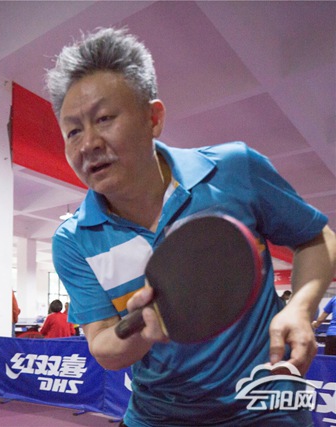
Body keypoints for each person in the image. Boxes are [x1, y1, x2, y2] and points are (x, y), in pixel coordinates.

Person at [47, 27, 336, 425]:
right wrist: (144, 329)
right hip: (158, 414)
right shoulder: (72, 239)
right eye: (73, 131)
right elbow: (102, 345)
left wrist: (301, 307)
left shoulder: (235, 169)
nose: (88, 144)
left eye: (104, 119)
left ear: (153, 118)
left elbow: (317, 238)